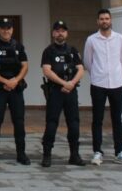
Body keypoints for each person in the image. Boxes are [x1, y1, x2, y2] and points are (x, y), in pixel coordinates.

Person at [84, 8, 122, 165]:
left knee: (117, 118)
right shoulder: (91, 40)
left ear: (111, 20)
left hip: (117, 84)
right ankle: (97, 152)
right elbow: (87, 62)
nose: (104, 21)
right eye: (101, 19)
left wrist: (115, 73)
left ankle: (120, 152)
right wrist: (99, 74)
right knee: (97, 119)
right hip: (98, 84)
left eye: (107, 18)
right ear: (97, 21)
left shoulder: (120, 39)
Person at [40, 20, 85, 167]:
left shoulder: (72, 50)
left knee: (74, 123)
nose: (60, 33)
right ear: (53, 33)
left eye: (63, 30)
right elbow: (47, 71)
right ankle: (47, 155)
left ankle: (74, 155)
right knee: (52, 123)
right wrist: (63, 83)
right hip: (55, 91)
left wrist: (71, 83)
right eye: (58, 30)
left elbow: (80, 69)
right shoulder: (49, 51)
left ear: (67, 33)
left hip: (71, 91)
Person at [0, 17, 30, 165]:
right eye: (3, 28)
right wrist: (6, 82)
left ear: (12, 29)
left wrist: (15, 81)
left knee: (19, 122)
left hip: (16, 89)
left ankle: (21, 154)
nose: (6, 31)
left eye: (9, 28)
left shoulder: (19, 47)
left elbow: (25, 66)